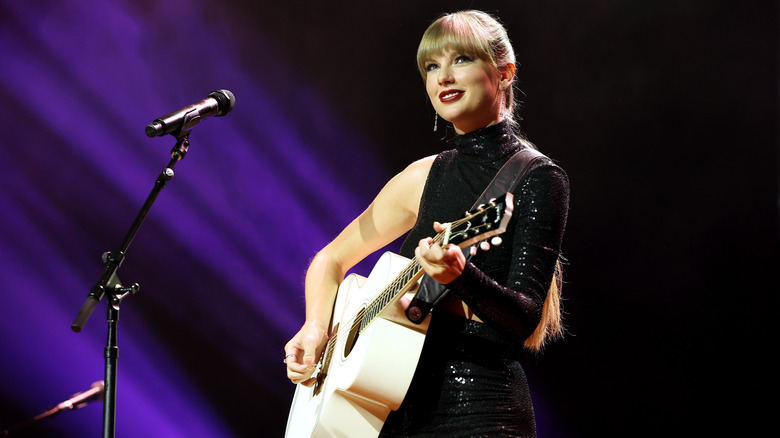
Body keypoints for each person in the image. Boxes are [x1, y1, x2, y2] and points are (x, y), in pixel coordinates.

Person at [284, 10, 569, 437]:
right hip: (388, 413)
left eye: (461, 60)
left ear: (505, 73)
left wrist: (462, 276)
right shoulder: (421, 176)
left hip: (479, 410)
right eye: (432, 66)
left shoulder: (538, 179)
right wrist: (315, 327)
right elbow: (329, 261)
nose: (443, 77)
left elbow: (524, 317)